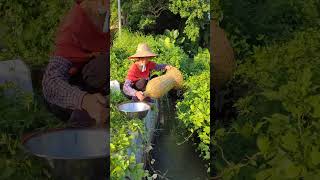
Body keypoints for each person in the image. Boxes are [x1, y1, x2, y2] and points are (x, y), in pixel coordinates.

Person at [42, 0, 110, 127]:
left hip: (98, 90)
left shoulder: (108, 21)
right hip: (70, 98)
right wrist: (85, 101)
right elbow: (50, 83)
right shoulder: (73, 27)